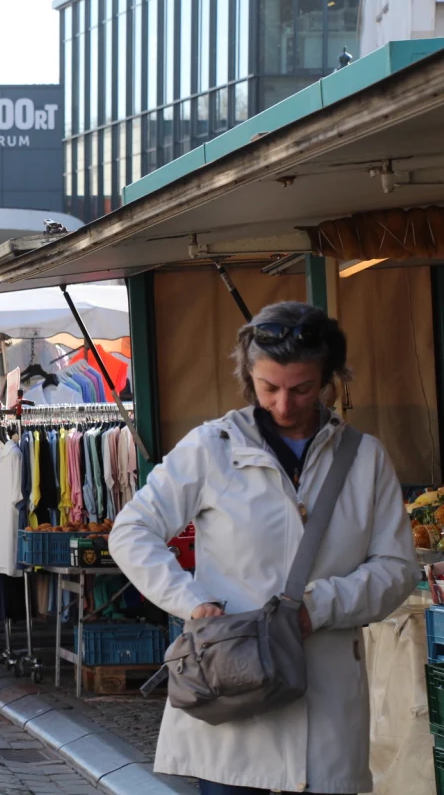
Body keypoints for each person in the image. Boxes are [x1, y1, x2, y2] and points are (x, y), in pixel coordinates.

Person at [107, 302, 416, 795]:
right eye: (269, 388)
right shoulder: (211, 448)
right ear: (249, 379)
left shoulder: (365, 458)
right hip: (231, 691)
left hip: (326, 694)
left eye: (302, 389)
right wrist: (191, 603)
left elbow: (398, 568)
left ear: (329, 381)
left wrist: (322, 607)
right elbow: (131, 530)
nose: (285, 405)